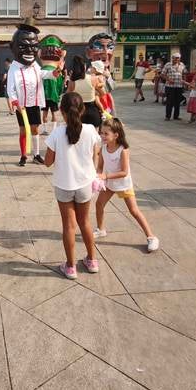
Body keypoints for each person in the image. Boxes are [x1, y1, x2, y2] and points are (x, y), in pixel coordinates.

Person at [44, 92, 101, 280]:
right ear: (83, 109)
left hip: (64, 184)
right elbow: (96, 152)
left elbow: (47, 162)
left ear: (61, 111)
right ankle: (92, 261)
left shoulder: (57, 133)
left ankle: (70, 266)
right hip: (85, 183)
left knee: (68, 225)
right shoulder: (91, 130)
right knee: (85, 222)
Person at [94, 118, 159, 252]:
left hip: (123, 184)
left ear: (116, 135)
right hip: (109, 183)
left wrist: (105, 176)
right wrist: (98, 177)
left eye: (106, 134)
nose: (102, 136)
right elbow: (100, 167)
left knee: (134, 211)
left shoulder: (123, 150)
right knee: (99, 204)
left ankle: (151, 237)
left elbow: (124, 172)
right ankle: (101, 230)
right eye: (101, 133)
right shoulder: (103, 148)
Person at [6, 23, 65, 166]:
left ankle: (36, 154)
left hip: (34, 103)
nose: (29, 50)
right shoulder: (13, 68)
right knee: (23, 130)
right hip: (22, 106)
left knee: (34, 129)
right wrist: (15, 104)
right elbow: (10, 90)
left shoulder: (35, 65)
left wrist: (54, 73)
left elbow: (43, 74)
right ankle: (23, 155)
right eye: (23, 46)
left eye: (33, 47)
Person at [39, 34, 66, 135]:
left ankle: (45, 129)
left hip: (44, 96)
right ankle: (54, 130)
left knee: (45, 112)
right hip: (54, 95)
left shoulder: (41, 71)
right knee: (54, 112)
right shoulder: (56, 72)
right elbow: (60, 85)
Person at [68, 57, 106, 129]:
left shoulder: (72, 82)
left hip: (78, 112)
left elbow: (67, 97)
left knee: (79, 137)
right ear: (84, 66)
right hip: (93, 112)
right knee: (93, 138)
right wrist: (96, 96)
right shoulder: (93, 79)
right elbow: (103, 93)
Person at [162, 53, 186, 121]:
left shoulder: (182, 65)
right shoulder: (168, 64)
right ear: (172, 58)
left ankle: (176, 116)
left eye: (177, 58)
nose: (175, 59)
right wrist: (168, 79)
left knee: (177, 102)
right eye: (174, 58)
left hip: (179, 86)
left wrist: (184, 83)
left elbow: (184, 74)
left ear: (179, 59)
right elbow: (162, 74)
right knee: (169, 101)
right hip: (170, 86)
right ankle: (168, 116)